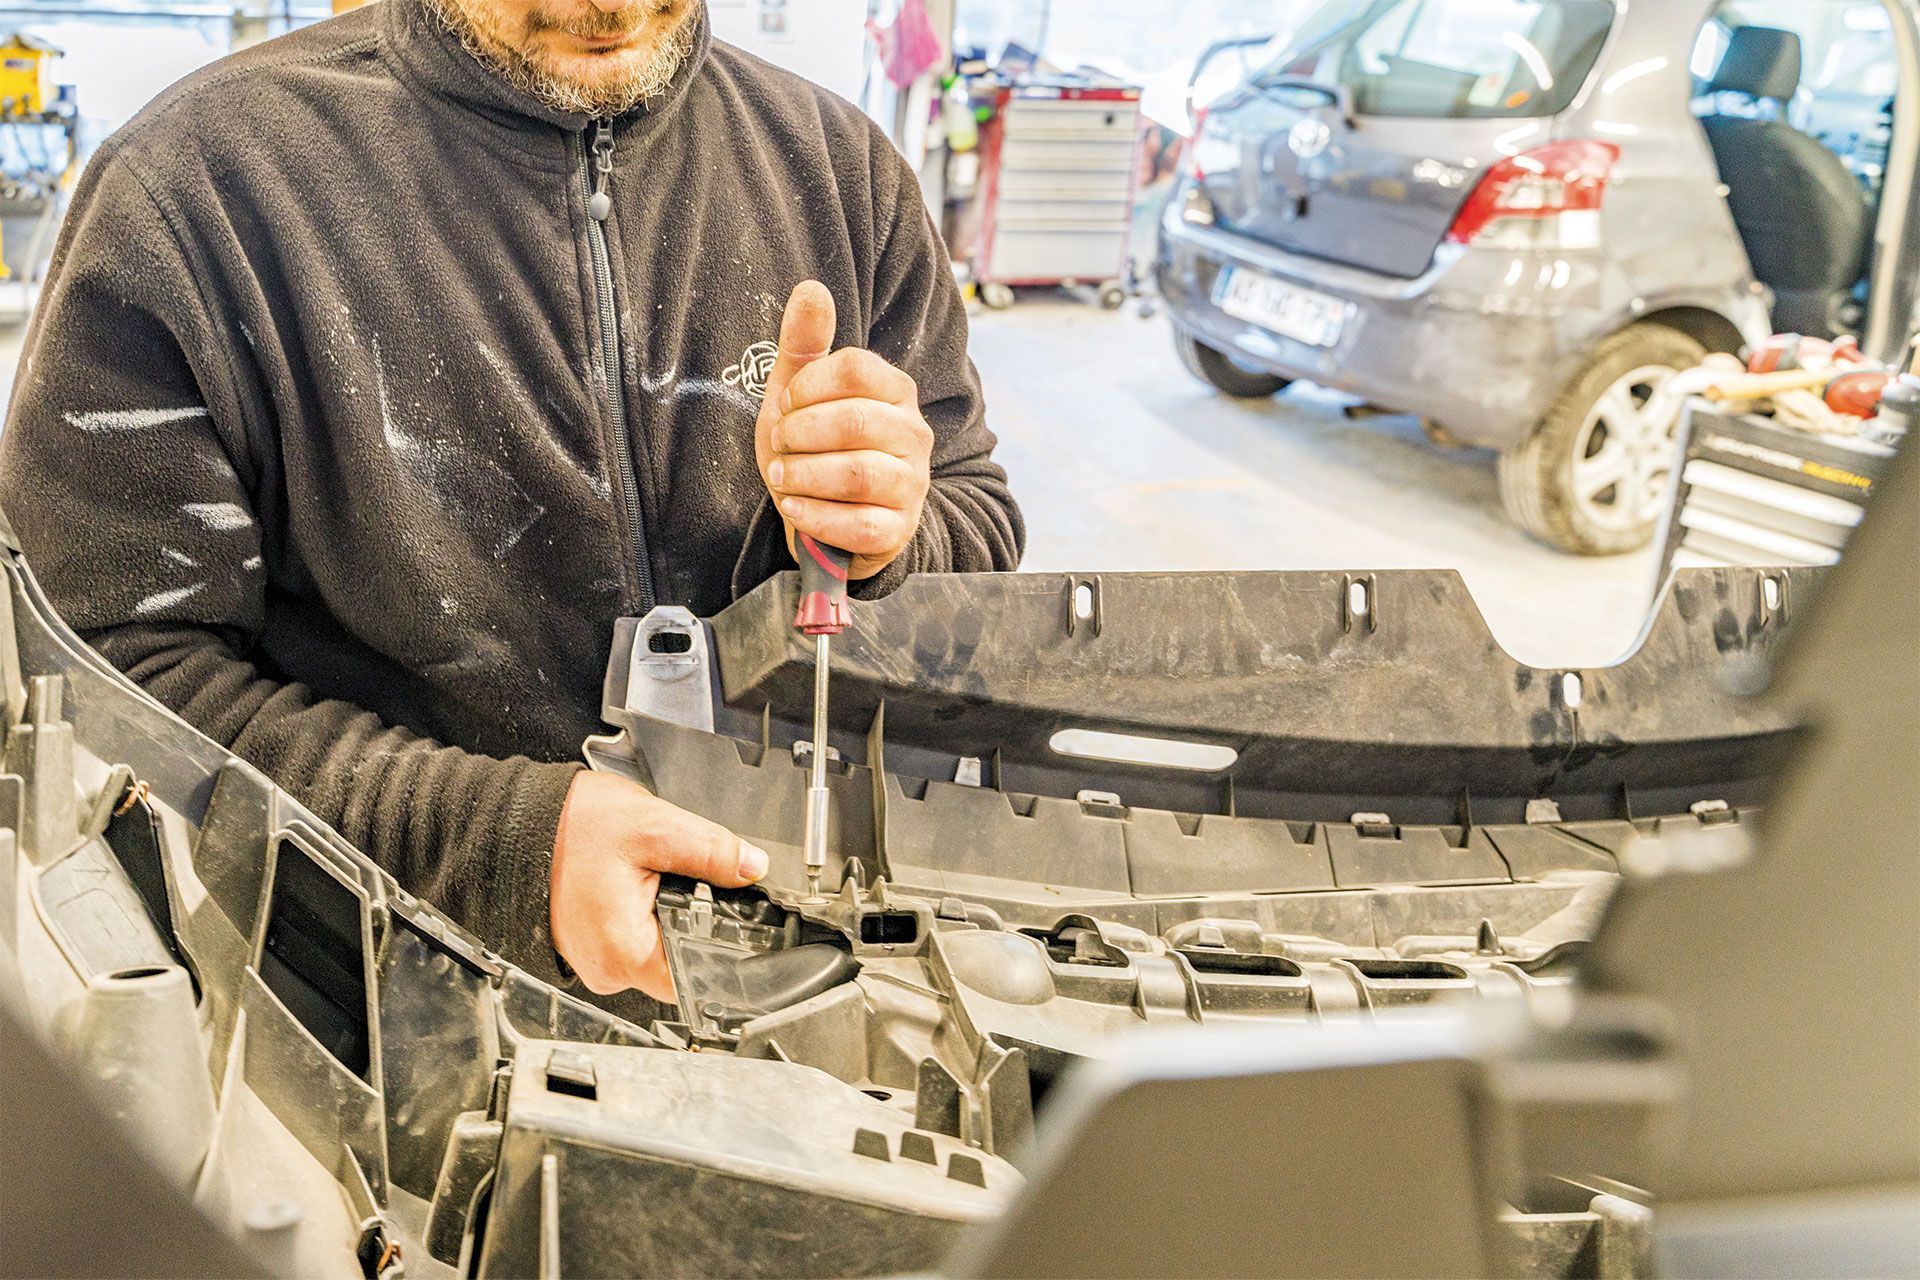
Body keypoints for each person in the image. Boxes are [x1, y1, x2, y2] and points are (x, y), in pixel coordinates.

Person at [0, 0, 1022, 1003]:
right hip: (377, 1012)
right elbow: (100, 683)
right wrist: (501, 845)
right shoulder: (198, 199)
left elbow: (979, 521)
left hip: (797, 984)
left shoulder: (838, 175)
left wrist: (889, 530)